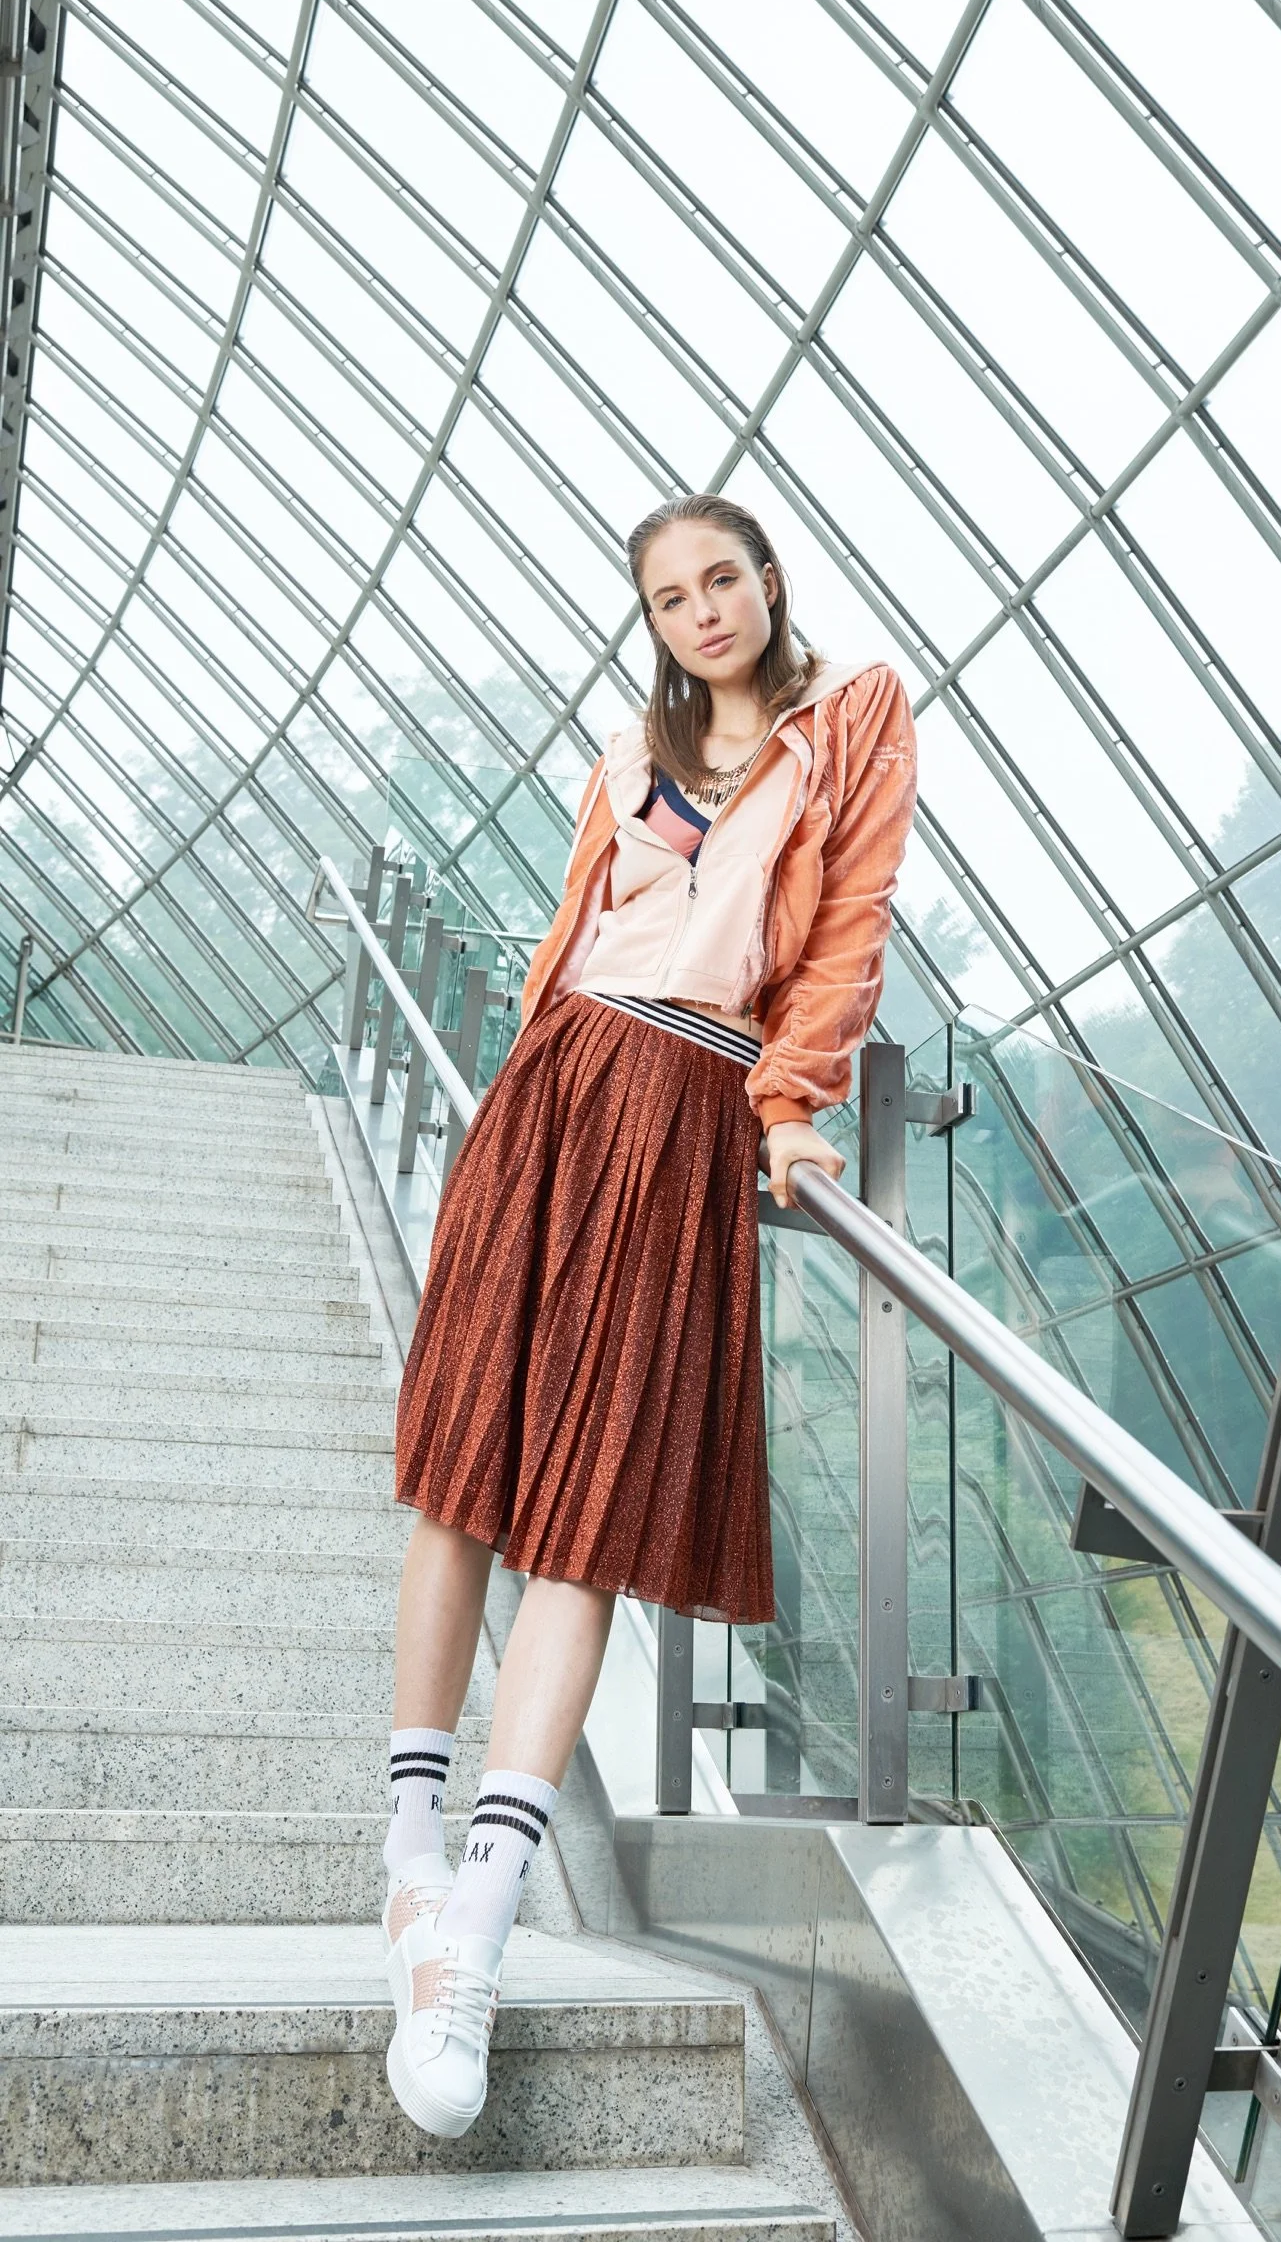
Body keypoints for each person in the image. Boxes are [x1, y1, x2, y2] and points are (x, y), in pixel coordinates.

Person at [377, 490, 918, 2137]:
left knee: (593, 1515)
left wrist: (796, 1106)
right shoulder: (633, 746)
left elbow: (845, 935)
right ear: (653, 618)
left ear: (771, 579)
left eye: (723, 579)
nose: (702, 612)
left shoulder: (853, 719)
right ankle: (405, 1855)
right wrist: (508, 1107)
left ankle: (480, 1913)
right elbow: (577, 935)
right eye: (671, 594)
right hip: (553, 1088)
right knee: (466, 1472)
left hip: (693, 1108)